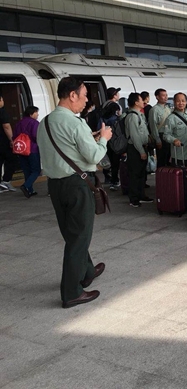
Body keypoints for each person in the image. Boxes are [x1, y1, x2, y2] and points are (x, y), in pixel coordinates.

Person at [37, 77, 112, 308]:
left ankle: (86, 271)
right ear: (72, 95)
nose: (86, 100)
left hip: (55, 185)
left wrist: (90, 139)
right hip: (77, 185)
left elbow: (62, 148)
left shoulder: (45, 122)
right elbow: (94, 156)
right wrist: (104, 140)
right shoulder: (76, 123)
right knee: (79, 237)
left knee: (73, 234)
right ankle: (72, 292)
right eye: (84, 95)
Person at [125, 92, 152, 208]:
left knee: (141, 173)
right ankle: (134, 198)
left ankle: (141, 195)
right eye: (141, 100)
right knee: (135, 174)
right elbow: (134, 136)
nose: (143, 102)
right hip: (135, 149)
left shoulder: (139, 115)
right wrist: (141, 151)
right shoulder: (132, 117)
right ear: (136, 102)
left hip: (142, 147)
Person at [163, 92, 187, 169]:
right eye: (178, 101)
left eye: (183, 101)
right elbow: (166, 135)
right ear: (174, 102)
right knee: (182, 176)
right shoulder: (171, 118)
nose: (181, 103)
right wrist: (174, 140)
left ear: (186, 102)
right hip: (180, 155)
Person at [13, 106, 41, 198]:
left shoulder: (19, 123)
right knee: (36, 170)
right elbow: (35, 136)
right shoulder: (34, 123)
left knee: (26, 170)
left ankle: (30, 190)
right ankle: (26, 186)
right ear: (31, 113)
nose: (37, 114)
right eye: (36, 112)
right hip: (32, 149)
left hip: (21, 149)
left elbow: (14, 136)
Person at [149, 88, 172, 168]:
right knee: (161, 158)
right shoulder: (154, 110)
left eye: (166, 95)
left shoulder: (168, 109)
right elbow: (153, 126)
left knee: (168, 158)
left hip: (169, 135)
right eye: (163, 95)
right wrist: (157, 140)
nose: (166, 97)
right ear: (157, 97)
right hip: (161, 135)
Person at [0, 92, 18, 192]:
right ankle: (6, 181)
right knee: (12, 160)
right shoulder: (2, 112)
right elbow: (6, 126)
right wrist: (11, 140)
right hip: (3, 142)